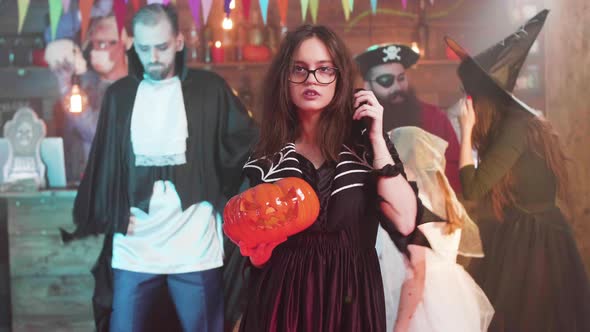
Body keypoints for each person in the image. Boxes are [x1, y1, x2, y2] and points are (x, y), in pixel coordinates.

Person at [61, 4, 258, 331]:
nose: (153, 56)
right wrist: (111, 211)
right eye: (143, 47)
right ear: (131, 44)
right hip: (134, 248)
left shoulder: (210, 89)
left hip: (195, 245)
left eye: (162, 47)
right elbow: (105, 164)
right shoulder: (119, 96)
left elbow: (245, 145)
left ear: (179, 41)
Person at [234, 24, 420, 332]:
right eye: (300, 70)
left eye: (324, 69)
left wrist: (376, 138)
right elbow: (256, 246)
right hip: (283, 298)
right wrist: (256, 250)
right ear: (285, 77)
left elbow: (405, 220)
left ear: (340, 77)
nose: (312, 79)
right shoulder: (266, 151)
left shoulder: (366, 144)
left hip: (351, 297)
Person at [449, 9, 590, 331]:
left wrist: (466, 129)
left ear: (481, 101)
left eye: (468, 96)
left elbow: (473, 188)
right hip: (519, 232)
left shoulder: (515, 128)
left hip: (534, 241)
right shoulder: (508, 127)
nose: (464, 102)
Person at [381, 126, 493, 332]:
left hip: (420, 295)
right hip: (454, 294)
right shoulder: (448, 200)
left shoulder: (413, 202)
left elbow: (416, 268)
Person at [355, 44, 461, 193]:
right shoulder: (355, 123)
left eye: (401, 78)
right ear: (367, 86)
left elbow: (454, 165)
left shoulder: (432, 116)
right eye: (386, 81)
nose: (397, 87)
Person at [48, 14, 128, 183]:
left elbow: (96, 131)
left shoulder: (131, 89)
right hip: (75, 181)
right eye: (94, 44)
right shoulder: (86, 84)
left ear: (123, 45)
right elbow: (51, 36)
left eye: (103, 44)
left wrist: (65, 88)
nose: (96, 50)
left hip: (110, 185)